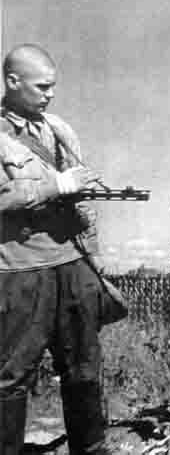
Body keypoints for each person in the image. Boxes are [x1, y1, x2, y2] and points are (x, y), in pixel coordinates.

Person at [0, 45, 109, 454]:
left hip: (72, 262)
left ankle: (92, 448)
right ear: (13, 81)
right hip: (20, 268)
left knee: (84, 364)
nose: (49, 94)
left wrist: (94, 256)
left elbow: (83, 202)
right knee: (11, 373)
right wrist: (54, 186)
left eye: (53, 87)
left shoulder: (60, 130)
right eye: (42, 86)